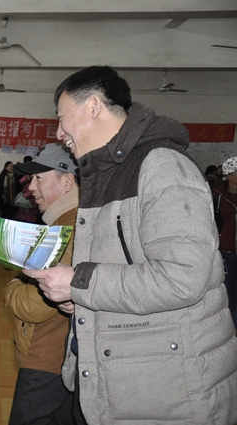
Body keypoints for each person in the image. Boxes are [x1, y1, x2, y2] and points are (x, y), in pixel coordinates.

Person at [24, 65, 237, 424]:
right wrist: (79, 298)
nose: (59, 133)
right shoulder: (103, 174)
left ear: (93, 106)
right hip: (118, 375)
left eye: (61, 118)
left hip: (169, 389)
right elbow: (120, 269)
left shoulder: (162, 167)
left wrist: (79, 282)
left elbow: (183, 277)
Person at [6, 143, 82, 425]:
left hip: (47, 357)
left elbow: (33, 306)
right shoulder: (63, 221)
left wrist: (13, 284)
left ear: (67, 182)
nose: (31, 187)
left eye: (39, 178)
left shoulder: (66, 229)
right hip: (58, 356)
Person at [212, 157, 237, 328]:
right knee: (230, 288)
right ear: (228, 175)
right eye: (236, 172)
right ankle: (232, 326)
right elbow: (213, 221)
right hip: (228, 251)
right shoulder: (218, 196)